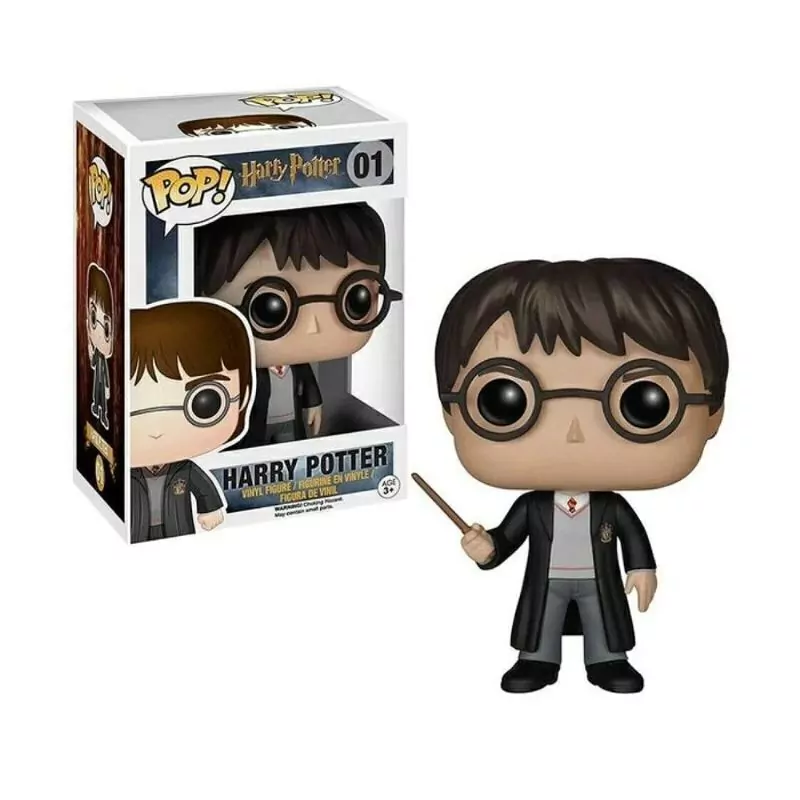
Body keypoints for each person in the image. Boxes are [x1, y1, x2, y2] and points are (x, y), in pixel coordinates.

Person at [432, 258, 728, 693]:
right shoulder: (532, 507)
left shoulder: (611, 507)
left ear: (714, 412)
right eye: (505, 401)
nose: (573, 432)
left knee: (602, 618)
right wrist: (486, 548)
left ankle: (607, 661)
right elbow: (505, 540)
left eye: (643, 402)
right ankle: (537, 661)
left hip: (598, 580)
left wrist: (642, 567)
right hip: (547, 581)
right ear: (449, 412)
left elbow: (633, 537)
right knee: (542, 621)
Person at [195, 202, 401, 447]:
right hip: (253, 429)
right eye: (269, 308)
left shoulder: (298, 365)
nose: (313, 326)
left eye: (356, 300)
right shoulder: (244, 375)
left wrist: (314, 404)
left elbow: (308, 383)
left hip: (291, 422)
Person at [129, 301, 253, 543]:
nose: (156, 431)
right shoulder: (125, 473)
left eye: (205, 403)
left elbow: (204, 489)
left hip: (178, 530)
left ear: (244, 397)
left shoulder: (184, 469)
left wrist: (210, 508)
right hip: (135, 531)